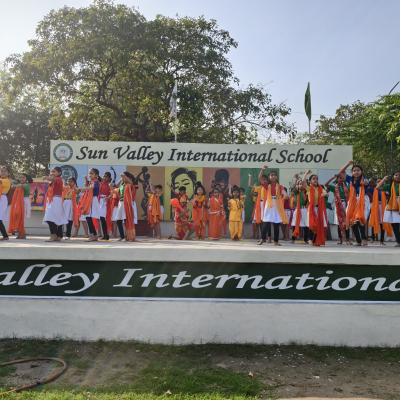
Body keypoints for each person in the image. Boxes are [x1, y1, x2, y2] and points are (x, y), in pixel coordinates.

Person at [339, 161, 370, 246]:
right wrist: (348, 164)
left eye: (358, 170)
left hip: (362, 200)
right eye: (354, 171)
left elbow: (366, 182)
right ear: (352, 172)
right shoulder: (350, 179)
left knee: (360, 219)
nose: (356, 172)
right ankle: (358, 241)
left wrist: (365, 183)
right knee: (352, 220)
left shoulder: (365, 179)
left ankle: (364, 239)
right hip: (353, 200)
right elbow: (341, 172)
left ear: (361, 171)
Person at [257, 166, 289, 246]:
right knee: (266, 223)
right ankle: (262, 239)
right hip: (269, 204)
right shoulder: (267, 185)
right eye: (271, 175)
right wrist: (262, 170)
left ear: (277, 177)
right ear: (269, 177)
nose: (273, 176)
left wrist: (285, 195)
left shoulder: (279, 186)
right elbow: (260, 178)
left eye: (275, 175)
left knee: (276, 223)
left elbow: (283, 191)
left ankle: (276, 241)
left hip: (277, 204)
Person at [301, 170, 329, 246]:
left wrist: (325, 194)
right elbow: (303, 182)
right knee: (312, 224)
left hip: (319, 209)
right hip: (312, 209)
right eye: (313, 179)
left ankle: (315, 240)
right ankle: (310, 239)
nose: (316, 180)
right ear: (310, 181)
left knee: (318, 224)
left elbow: (326, 194)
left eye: (316, 179)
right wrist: (306, 173)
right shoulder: (309, 188)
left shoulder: (320, 188)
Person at [42, 166, 68, 242]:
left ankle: (54, 235)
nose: (52, 173)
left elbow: (53, 179)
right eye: (51, 171)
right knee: (53, 218)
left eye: (54, 172)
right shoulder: (52, 181)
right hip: (51, 200)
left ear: (59, 173)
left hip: (56, 200)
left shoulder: (58, 179)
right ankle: (58, 235)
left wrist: (46, 177)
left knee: (52, 217)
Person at [324, 173, 352, 245]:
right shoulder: (334, 188)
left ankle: (347, 240)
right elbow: (326, 184)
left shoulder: (347, 187)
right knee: (339, 223)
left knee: (346, 223)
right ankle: (340, 240)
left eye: (342, 178)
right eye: (340, 178)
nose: (341, 179)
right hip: (338, 206)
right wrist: (332, 177)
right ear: (337, 180)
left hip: (346, 205)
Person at [376, 172, 400, 246]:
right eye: (396, 175)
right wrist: (383, 179)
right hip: (393, 205)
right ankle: (399, 242)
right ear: (393, 177)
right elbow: (377, 187)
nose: (398, 176)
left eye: (399, 175)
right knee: (395, 224)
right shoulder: (390, 186)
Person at [78, 168, 101, 242]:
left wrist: (86, 188)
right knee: (88, 218)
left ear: (96, 175)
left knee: (88, 218)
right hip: (89, 200)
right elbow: (87, 188)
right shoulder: (91, 182)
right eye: (89, 173)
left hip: (92, 201)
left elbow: (92, 187)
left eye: (92, 173)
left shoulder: (96, 182)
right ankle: (95, 235)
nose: (90, 175)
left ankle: (92, 235)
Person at [8, 173, 33, 240]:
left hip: (24, 201)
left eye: (23, 177)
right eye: (20, 177)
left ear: (26, 179)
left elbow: (22, 187)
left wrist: (15, 186)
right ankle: (21, 233)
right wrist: (6, 173)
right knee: (17, 216)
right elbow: (10, 180)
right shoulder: (18, 183)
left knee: (21, 217)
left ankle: (22, 233)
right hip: (18, 202)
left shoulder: (26, 185)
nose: (21, 179)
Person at [369, 178, 389, 245]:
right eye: (378, 181)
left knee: (382, 224)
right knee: (374, 222)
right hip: (375, 207)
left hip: (383, 207)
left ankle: (381, 241)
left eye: (381, 181)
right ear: (375, 183)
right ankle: (373, 238)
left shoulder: (385, 190)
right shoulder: (373, 189)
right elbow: (366, 187)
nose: (379, 182)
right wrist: (368, 181)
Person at [290, 174, 309, 244]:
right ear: (298, 185)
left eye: (302, 184)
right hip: (298, 210)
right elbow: (294, 186)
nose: (301, 185)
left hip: (305, 210)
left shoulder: (307, 192)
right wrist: (296, 178)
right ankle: (293, 239)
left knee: (306, 226)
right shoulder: (296, 192)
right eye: (300, 184)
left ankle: (306, 240)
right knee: (295, 225)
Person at [249, 173, 267, 240]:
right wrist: (250, 177)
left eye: (265, 179)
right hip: (260, 204)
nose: (263, 181)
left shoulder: (268, 187)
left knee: (266, 221)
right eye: (262, 179)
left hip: (266, 204)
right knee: (260, 221)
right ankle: (262, 237)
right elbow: (249, 185)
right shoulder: (259, 188)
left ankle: (267, 237)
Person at [99, 172, 112, 241]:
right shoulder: (101, 184)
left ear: (109, 178)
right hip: (101, 201)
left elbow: (112, 193)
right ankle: (105, 235)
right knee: (101, 218)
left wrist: (107, 198)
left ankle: (106, 235)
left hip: (106, 202)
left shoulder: (109, 185)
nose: (104, 178)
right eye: (103, 176)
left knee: (104, 218)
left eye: (106, 177)